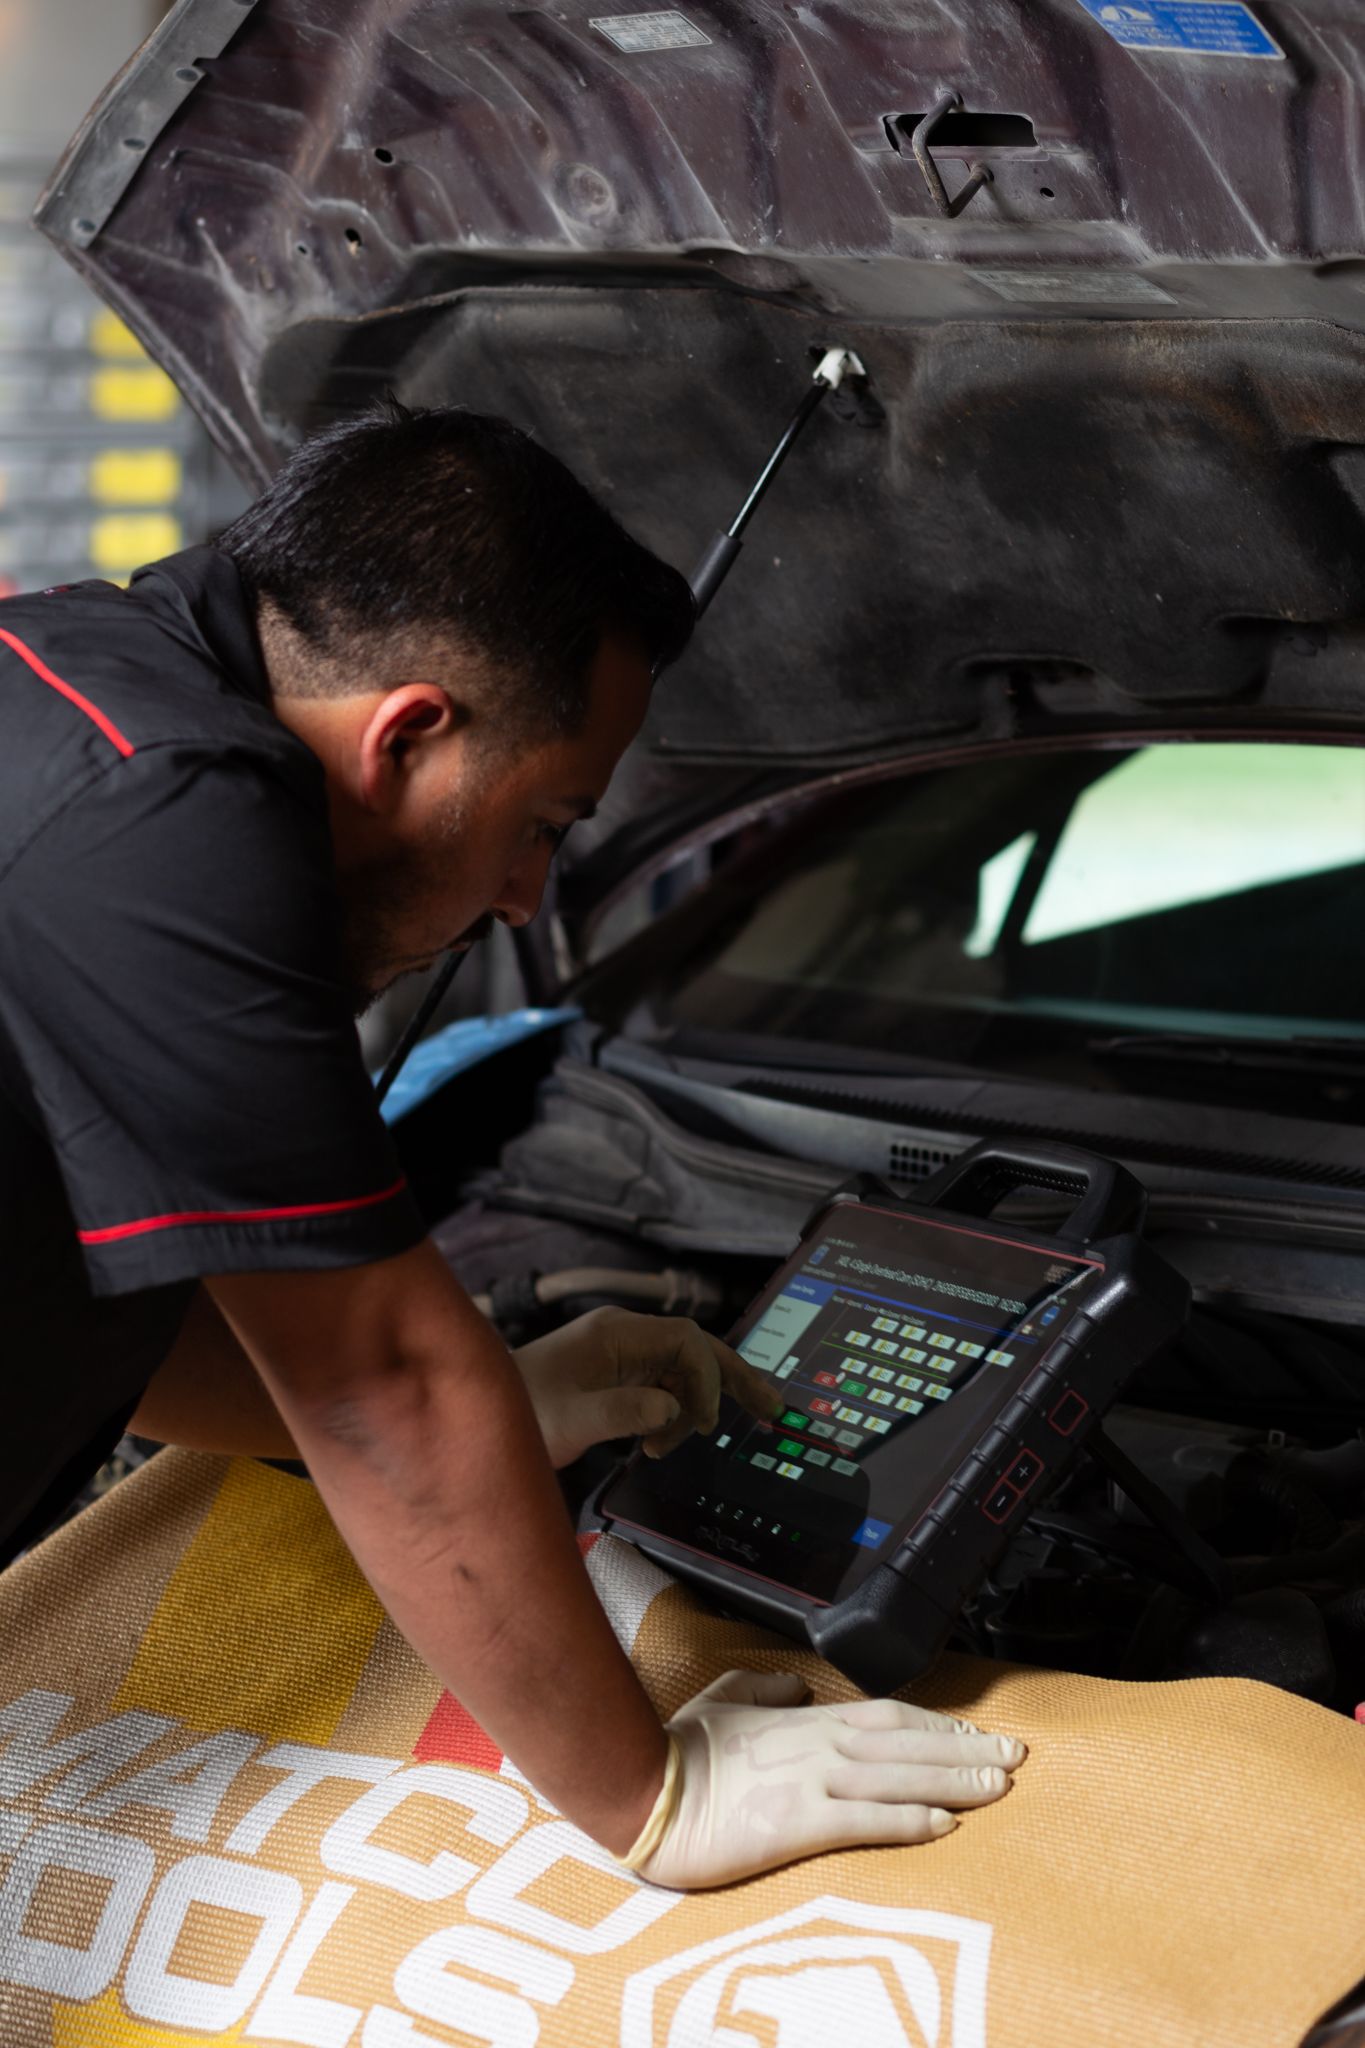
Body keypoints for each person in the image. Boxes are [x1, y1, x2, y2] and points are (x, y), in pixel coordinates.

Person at [0, 402, 1023, 1886]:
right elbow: (384, 1379)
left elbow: (101, 1297)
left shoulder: (66, 691)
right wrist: (648, 1797)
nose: (527, 900)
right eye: (545, 821)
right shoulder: (170, 812)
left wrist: (512, 1408)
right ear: (408, 730)